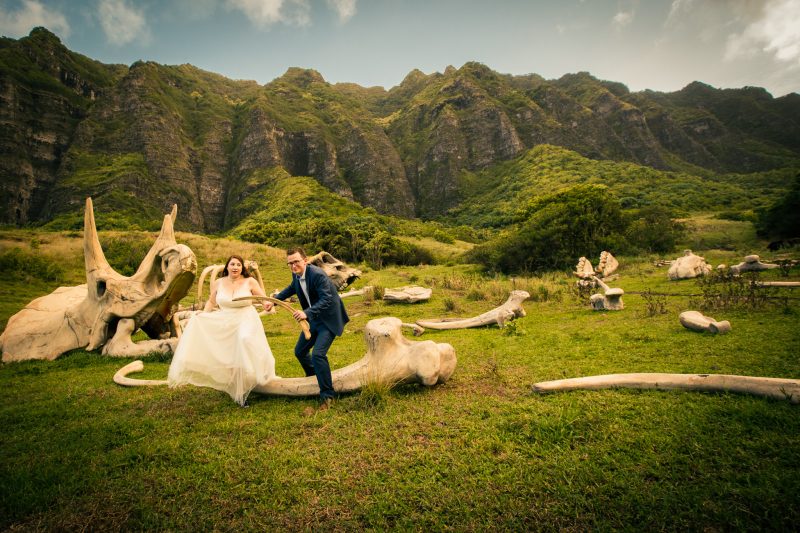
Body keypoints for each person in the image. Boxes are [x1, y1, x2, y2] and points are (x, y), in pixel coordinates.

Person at [168, 255, 276, 406]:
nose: (235, 267)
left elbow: (263, 299)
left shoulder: (249, 281)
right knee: (230, 353)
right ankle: (236, 387)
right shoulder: (219, 282)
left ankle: (251, 377)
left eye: (238, 265)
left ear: (242, 268)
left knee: (244, 340)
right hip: (225, 319)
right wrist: (204, 313)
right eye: (232, 264)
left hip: (246, 318)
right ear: (227, 267)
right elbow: (212, 301)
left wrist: (266, 304)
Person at [267, 247, 349, 410]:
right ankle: (314, 377)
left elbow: (327, 299)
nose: (293, 266)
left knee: (318, 354)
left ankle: (328, 396)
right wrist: (274, 300)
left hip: (328, 320)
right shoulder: (296, 275)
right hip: (313, 320)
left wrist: (306, 313)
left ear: (305, 260)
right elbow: (291, 288)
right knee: (300, 351)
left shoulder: (317, 275)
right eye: (289, 263)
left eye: (296, 261)